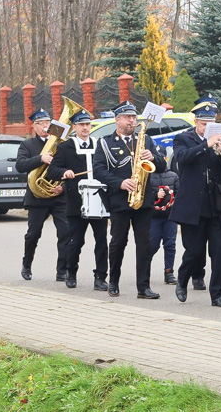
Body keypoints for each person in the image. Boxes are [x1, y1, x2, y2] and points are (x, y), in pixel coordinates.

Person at [93, 100, 166, 299]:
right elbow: (98, 170)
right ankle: (113, 282)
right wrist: (120, 183)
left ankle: (143, 287)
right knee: (118, 243)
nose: (131, 121)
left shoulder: (146, 140)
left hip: (144, 200)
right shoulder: (105, 143)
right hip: (120, 200)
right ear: (117, 120)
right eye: (127, 117)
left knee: (145, 244)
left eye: (134, 117)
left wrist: (153, 157)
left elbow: (161, 166)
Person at [170, 97, 221, 308]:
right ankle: (183, 279)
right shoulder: (183, 138)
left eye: (211, 124)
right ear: (196, 122)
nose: (207, 127)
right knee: (194, 252)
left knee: (220, 252)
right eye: (204, 124)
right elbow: (182, 159)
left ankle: (217, 295)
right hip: (192, 205)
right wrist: (206, 145)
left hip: (216, 204)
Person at [46, 109, 108, 290]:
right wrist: (64, 172)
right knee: (76, 241)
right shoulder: (66, 147)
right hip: (76, 200)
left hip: (99, 199)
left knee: (102, 241)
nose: (85, 128)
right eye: (82, 125)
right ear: (75, 127)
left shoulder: (100, 144)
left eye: (88, 124)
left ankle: (101, 277)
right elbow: (52, 170)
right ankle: (70, 272)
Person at [14, 108, 71, 280]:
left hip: (58, 195)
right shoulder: (27, 145)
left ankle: (62, 271)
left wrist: (63, 186)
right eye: (41, 123)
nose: (45, 126)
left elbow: (70, 167)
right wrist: (40, 159)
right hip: (37, 197)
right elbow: (20, 166)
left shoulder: (60, 143)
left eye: (47, 123)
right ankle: (27, 264)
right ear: (34, 126)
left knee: (65, 232)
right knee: (33, 234)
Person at [149, 161, 179, 285]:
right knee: (152, 245)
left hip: (170, 217)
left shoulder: (173, 176)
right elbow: (143, 194)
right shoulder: (147, 175)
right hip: (153, 217)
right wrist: (155, 195)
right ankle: (144, 268)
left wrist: (174, 201)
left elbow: (180, 192)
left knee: (170, 245)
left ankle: (169, 272)